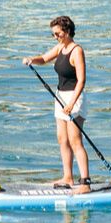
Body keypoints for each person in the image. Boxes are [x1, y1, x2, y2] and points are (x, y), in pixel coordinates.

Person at [23, 15, 90, 189]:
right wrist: (32, 59)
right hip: (60, 97)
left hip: (74, 98)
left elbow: (82, 80)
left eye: (57, 34)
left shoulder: (77, 51)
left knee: (75, 140)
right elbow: (44, 58)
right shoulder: (61, 47)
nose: (55, 37)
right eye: (53, 34)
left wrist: (72, 103)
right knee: (62, 139)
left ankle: (85, 182)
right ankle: (68, 177)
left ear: (67, 31)